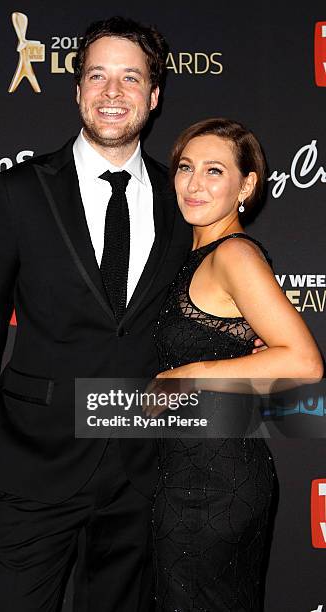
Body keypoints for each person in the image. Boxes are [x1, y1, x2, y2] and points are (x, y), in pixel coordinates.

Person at [0, 18, 264, 611]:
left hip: (142, 472)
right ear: (77, 91)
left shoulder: (185, 203)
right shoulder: (20, 190)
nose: (112, 92)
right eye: (97, 76)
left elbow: (205, 312)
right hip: (31, 466)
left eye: (130, 77)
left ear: (154, 96)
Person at [151, 118, 323, 611]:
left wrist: (190, 374)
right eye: (185, 168)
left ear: (246, 184)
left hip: (213, 486)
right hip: (188, 474)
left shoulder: (235, 255)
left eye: (214, 171)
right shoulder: (192, 255)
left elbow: (305, 362)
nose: (194, 183)